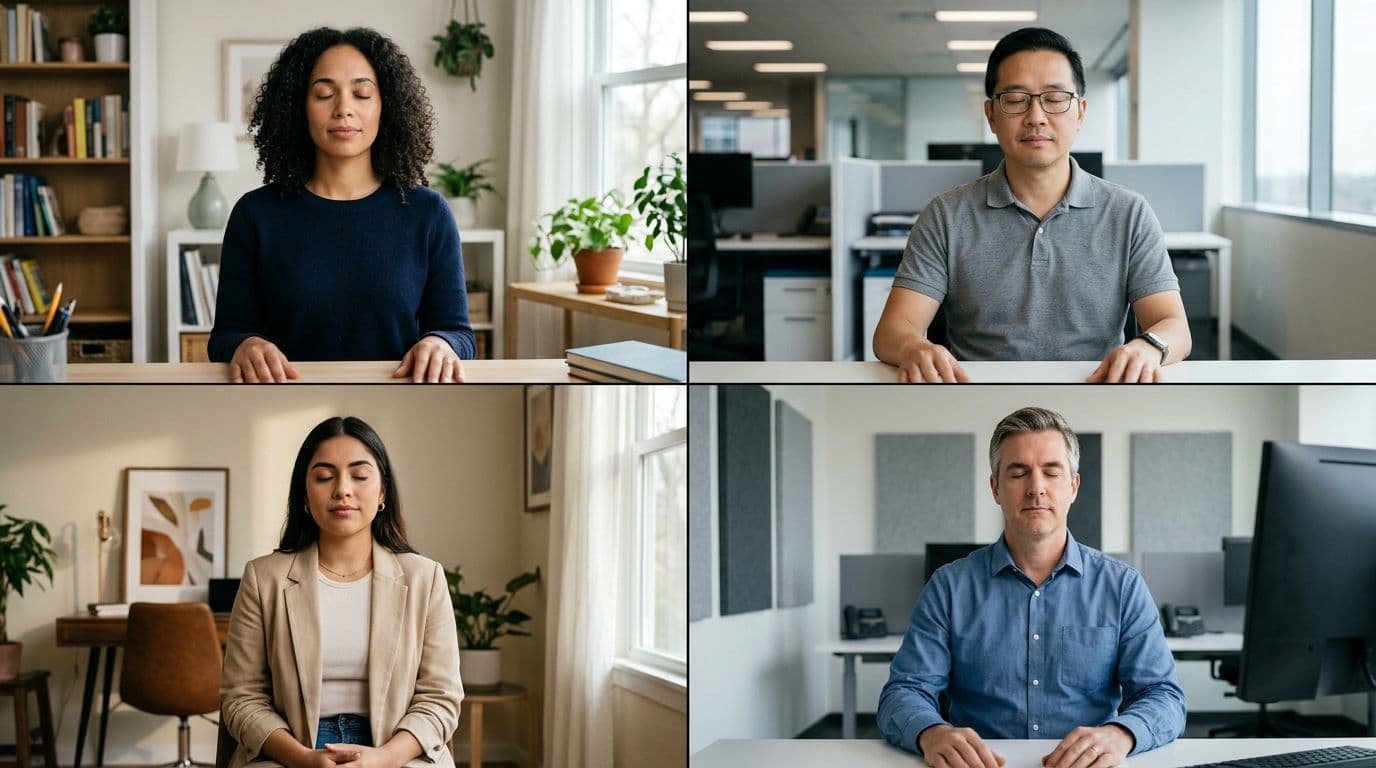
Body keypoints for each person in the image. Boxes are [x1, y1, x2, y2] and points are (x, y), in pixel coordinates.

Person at [872, 28, 1191, 383]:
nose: (1036, 116)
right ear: (991, 115)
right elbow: (892, 331)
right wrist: (914, 347)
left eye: (1055, 98)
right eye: (1015, 98)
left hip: (1095, 401)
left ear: (1080, 112)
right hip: (978, 406)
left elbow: (1175, 326)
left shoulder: (1129, 213)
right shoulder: (946, 215)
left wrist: (1148, 346)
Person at [877, 407, 1185, 768]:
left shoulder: (1123, 587)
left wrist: (1122, 734)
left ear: (1073, 486)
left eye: (1051, 472)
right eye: (1018, 472)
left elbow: (1163, 696)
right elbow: (903, 692)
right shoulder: (949, 587)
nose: (1035, 487)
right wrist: (931, 732)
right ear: (995, 488)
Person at [208, 27, 475, 383]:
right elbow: (226, 337)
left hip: (401, 411)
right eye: (324, 94)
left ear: (386, 106)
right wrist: (246, 344)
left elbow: (458, 332)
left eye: (362, 94)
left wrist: (441, 343)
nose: (343, 109)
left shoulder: (428, 213)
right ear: (298, 106)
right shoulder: (255, 215)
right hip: (281, 411)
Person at [220, 416, 462, 768]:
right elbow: (242, 697)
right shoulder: (262, 577)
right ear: (304, 494)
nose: (342, 489)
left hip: (397, 750)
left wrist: (384, 758)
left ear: (381, 493)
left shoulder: (426, 578)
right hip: (291, 749)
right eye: (323, 477)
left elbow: (440, 698)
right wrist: (302, 758)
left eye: (360, 476)